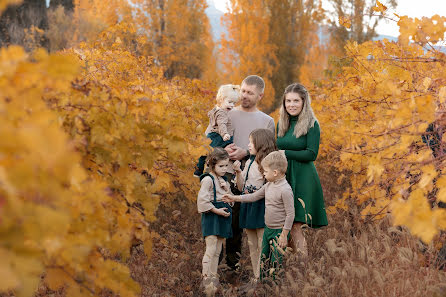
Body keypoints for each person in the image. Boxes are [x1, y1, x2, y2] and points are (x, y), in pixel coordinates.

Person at [224, 75, 275, 271]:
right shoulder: (227, 113)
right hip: (228, 173)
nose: (244, 96)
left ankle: (255, 270)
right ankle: (228, 267)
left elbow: (268, 151)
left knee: (252, 225)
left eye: (249, 93)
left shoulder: (267, 121)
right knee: (229, 222)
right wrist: (224, 150)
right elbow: (211, 138)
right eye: (242, 91)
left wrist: (245, 153)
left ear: (260, 96)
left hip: (254, 178)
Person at [223, 151, 294, 281]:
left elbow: (290, 214)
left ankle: (275, 288)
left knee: (275, 263)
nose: (263, 174)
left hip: (279, 232)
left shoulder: (285, 189)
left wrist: (284, 234)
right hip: (268, 229)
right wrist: (233, 197)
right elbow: (253, 196)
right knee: (263, 261)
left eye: (265, 171)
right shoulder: (268, 185)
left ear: (275, 172)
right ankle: (261, 287)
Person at [276, 83, 327, 256]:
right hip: (284, 177)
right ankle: (290, 268)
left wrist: (285, 153)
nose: (291, 104)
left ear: (304, 102)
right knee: (285, 224)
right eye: (288, 101)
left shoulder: (312, 124)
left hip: (303, 177)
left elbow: (312, 154)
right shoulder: (282, 123)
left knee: (296, 224)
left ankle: (302, 270)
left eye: (296, 101)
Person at [232, 128, 277, 281]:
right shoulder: (249, 162)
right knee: (252, 243)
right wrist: (238, 172)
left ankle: (264, 276)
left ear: (262, 144)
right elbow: (240, 187)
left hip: (262, 205)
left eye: (252, 142)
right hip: (248, 205)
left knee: (262, 242)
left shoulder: (269, 163)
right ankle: (256, 276)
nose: (248, 145)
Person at [197, 148, 233, 288]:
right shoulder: (208, 179)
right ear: (213, 165)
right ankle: (206, 280)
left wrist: (227, 189)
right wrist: (217, 211)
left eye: (226, 165)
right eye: (221, 166)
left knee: (218, 250)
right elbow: (202, 200)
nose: (224, 169)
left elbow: (231, 200)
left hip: (222, 217)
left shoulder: (223, 180)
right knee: (211, 248)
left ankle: (213, 278)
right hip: (212, 216)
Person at [194, 85, 240, 177]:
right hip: (220, 137)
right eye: (230, 102)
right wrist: (225, 134)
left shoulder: (217, 109)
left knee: (207, 151)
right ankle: (200, 169)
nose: (232, 105)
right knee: (209, 151)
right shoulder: (222, 113)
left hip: (217, 135)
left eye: (234, 103)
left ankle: (199, 169)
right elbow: (221, 125)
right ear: (221, 99)